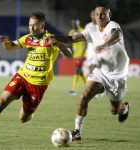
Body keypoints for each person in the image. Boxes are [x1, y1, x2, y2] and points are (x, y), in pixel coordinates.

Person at [0, 11, 72, 143]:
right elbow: (11, 46)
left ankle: (31, 112)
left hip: (38, 84)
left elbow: (69, 54)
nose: (32, 28)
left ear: (42, 25)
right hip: (22, 76)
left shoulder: (51, 38)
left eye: (35, 25)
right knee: (1, 101)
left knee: (23, 119)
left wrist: (58, 44)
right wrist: (6, 43)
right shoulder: (28, 38)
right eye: (30, 25)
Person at [49, 4, 130, 141]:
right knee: (83, 96)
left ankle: (124, 108)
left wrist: (105, 44)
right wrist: (56, 38)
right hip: (101, 72)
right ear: (94, 15)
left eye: (103, 13)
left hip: (118, 76)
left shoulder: (112, 25)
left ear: (109, 14)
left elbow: (117, 35)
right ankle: (77, 132)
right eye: (97, 14)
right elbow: (72, 39)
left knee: (114, 110)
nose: (99, 16)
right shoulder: (91, 30)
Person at [68, 19, 87, 96]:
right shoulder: (71, 32)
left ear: (78, 24)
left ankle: (73, 90)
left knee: (77, 70)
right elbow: (69, 42)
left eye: (75, 24)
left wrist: (83, 54)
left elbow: (86, 43)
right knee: (81, 73)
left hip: (82, 55)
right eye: (73, 24)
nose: (74, 25)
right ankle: (90, 88)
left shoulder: (82, 31)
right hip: (76, 55)